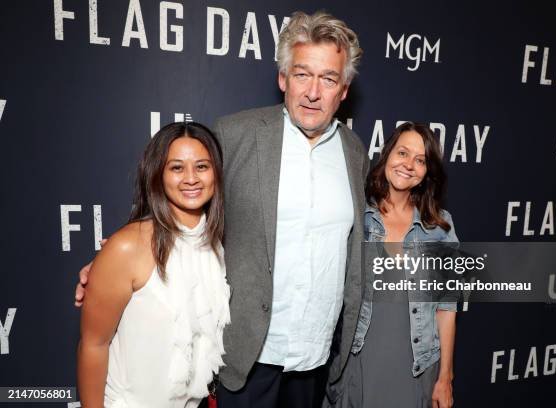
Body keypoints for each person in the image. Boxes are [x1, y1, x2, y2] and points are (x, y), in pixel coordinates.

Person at [75, 11, 369, 408]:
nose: (313, 92)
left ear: (344, 89)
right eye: (302, 74)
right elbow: (184, 195)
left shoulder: (354, 153)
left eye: (328, 79)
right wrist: (112, 263)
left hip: (315, 359)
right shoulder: (235, 134)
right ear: (283, 79)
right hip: (245, 359)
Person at [77, 122, 230, 408]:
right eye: (176, 168)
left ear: (216, 174)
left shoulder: (218, 245)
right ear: (157, 174)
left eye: (201, 166)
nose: (191, 178)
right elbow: (93, 346)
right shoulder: (128, 246)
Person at [325, 122, 457, 408]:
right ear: (387, 155)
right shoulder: (358, 215)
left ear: (426, 173)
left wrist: (445, 377)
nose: (409, 165)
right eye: (402, 153)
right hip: (359, 360)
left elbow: (447, 307)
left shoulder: (439, 226)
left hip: (415, 368)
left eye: (420, 160)